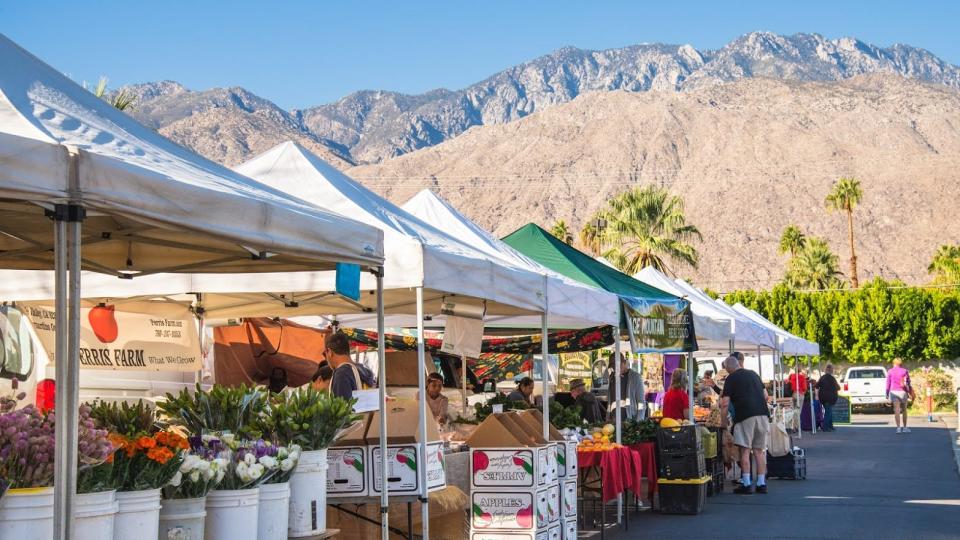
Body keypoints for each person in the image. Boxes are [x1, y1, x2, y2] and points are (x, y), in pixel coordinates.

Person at [720, 352, 771, 495]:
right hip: (762, 414)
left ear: (728, 369)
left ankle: (747, 483)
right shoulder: (754, 374)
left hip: (745, 416)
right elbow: (766, 396)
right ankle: (761, 483)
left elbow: (724, 404)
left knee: (745, 450)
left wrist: (723, 422)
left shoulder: (731, 378)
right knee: (759, 451)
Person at [325, 331, 362, 400]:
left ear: (330, 352)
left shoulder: (341, 374)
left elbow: (342, 408)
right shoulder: (361, 369)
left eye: (325, 354)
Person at [607, 354, 644, 421]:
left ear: (624, 363)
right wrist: (608, 417)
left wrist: (639, 422)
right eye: (613, 366)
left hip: (630, 421)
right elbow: (610, 400)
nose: (615, 368)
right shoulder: (612, 378)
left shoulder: (635, 377)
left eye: (617, 365)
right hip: (614, 421)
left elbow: (641, 402)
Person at [886, 357, 913, 434]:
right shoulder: (905, 371)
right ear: (901, 363)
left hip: (893, 391)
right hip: (903, 392)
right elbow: (908, 382)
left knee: (897, 410)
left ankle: (898, 428)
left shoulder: (890, 371)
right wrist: (909, 392)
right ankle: (904, 428)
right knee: (904, 410)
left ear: (893, 363)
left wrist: (887, 393)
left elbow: (888, 383)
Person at [816, 364, 841, 431]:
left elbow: (817, 386)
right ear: (831, 370)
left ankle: (830, 425)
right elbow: (838, 388)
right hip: (830, 398)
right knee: (828, 412)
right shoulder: (832, 378)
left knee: (829, 411)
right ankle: (825, 427)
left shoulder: (822, 377)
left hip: (823, 398)